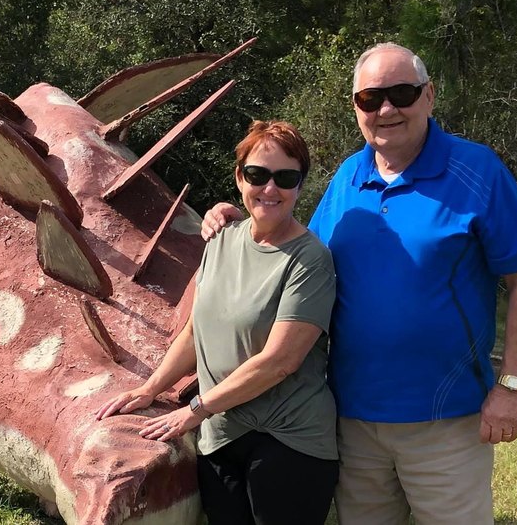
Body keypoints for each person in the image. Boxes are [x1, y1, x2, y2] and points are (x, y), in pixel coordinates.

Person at [200, 43, 517, 525]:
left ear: (429, 96)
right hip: (353, 419)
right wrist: (244, 219)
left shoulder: (478, 171)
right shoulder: (349, 175)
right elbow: (298, 254)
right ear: (356, 107)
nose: (386, 109)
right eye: (370, 98)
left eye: (402, 93)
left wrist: (512, 386)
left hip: (446, 420)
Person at [97, 120, 339, 525]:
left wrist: (195, 410)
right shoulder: (220, 239)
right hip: (220, 434)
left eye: (285, 178)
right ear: (239, 177)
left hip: (287, 439)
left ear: (300, 185)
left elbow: (281, 361)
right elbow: (196, 332)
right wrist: (150, 388)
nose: (270, 188)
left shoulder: (310, 260)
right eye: (258, 174)